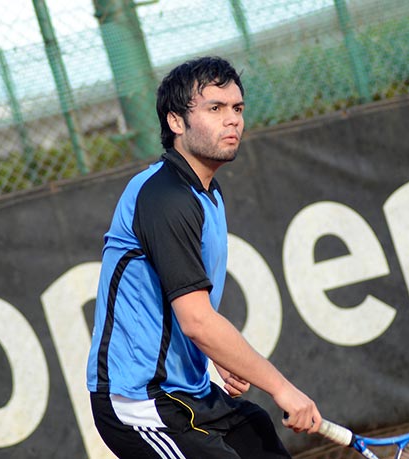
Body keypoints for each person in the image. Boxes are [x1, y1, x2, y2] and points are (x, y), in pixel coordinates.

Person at [86, 56, 322, 458]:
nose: (232, 120)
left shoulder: (206, 193)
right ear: (176, 122)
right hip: (142, 403)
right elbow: (197, 321)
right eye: (215, 108)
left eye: (237, 108)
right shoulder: (164, 198)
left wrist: (221, 357)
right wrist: (282, 388)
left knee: (256, 430)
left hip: (188, 391)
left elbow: (184, 311)